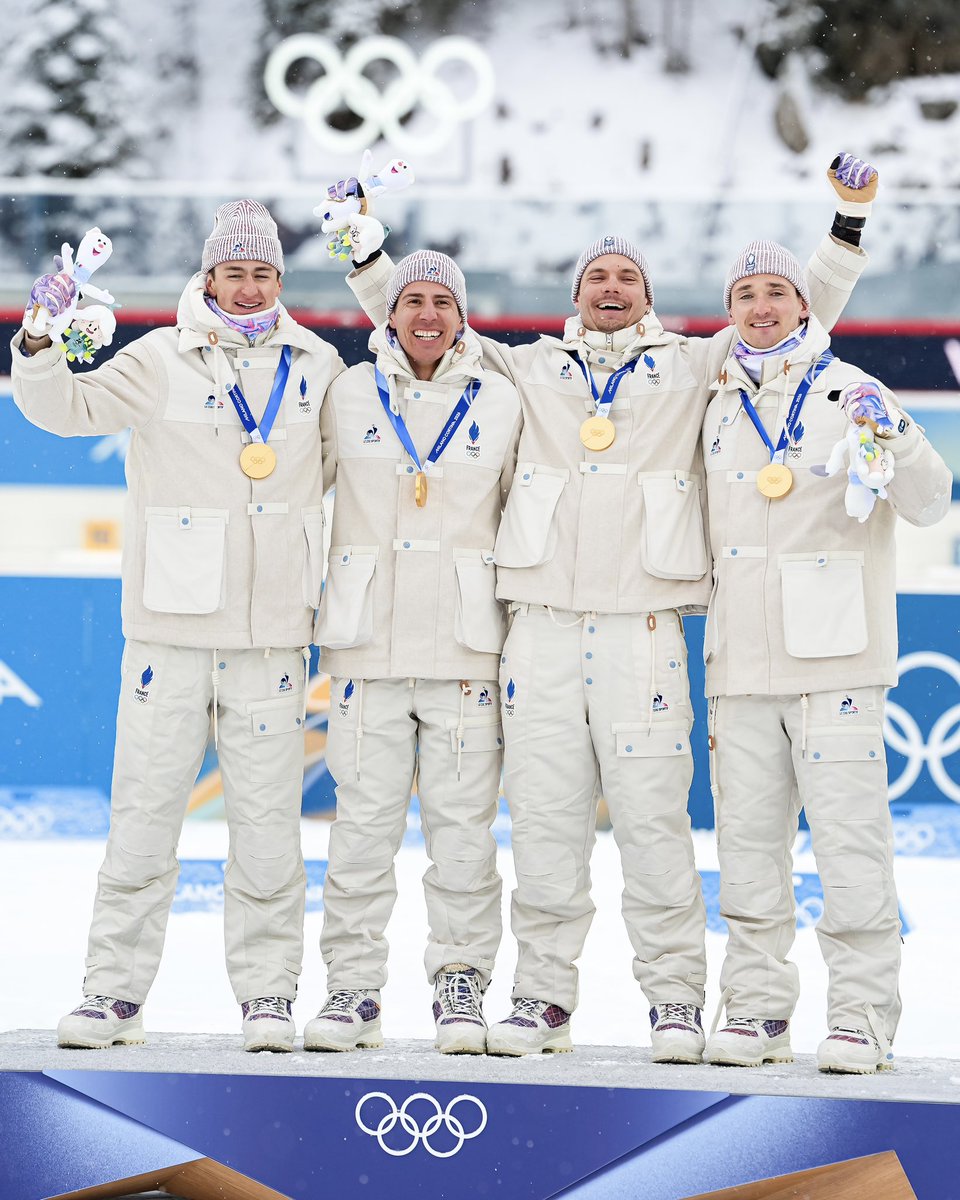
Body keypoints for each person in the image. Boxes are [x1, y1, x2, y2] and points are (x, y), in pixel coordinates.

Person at [342, 155, 875, 1060]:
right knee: (545, 830)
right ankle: (543, 999)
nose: (613, 287)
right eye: (598, 276)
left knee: (655, 830)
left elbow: (795, 312)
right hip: (540, 635)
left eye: (628, 277)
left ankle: (674, 1000)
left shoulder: (694, 364)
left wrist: (846, 225)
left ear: (650, 294)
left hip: (644, 638)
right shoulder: (526, 369)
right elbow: (424, 322)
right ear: (576, 293)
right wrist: (364, 255)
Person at [11, 201, 344, 1052]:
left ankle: (268, 996)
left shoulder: (315, 366)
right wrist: (41, 337)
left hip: (273, 636)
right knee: (145, 819)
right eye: (234, 271)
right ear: (207, 277)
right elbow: (62, 411)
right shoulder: (161, 358)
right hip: (169, 632)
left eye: (263, 271)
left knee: (269, 831)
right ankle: (112, 993)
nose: (248, 285)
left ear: (280, 279)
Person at [700, 240, 951, 1073]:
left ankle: (862, 1017)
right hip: (738, 667)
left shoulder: (855, 392)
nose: (762, 306)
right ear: (729, 309)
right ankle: (759, 1009)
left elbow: (929, 502)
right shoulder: (711, 399)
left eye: (778, 291)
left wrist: (899, 437)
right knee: (747, 856)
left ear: (806, 305)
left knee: (850, 851)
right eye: (746, 293)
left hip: (836, 667)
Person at [302, 251, 522, 1054]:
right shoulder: (345, 391)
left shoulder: (502, 400)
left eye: (442, 302)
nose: (427, 315)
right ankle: (352, 989)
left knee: (463, 833)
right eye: (412, 301)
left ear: (463, 317)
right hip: (366, 644)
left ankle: (459, 983)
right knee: (360, 831)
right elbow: (296, 489)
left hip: (467, 648)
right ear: (387, 314)